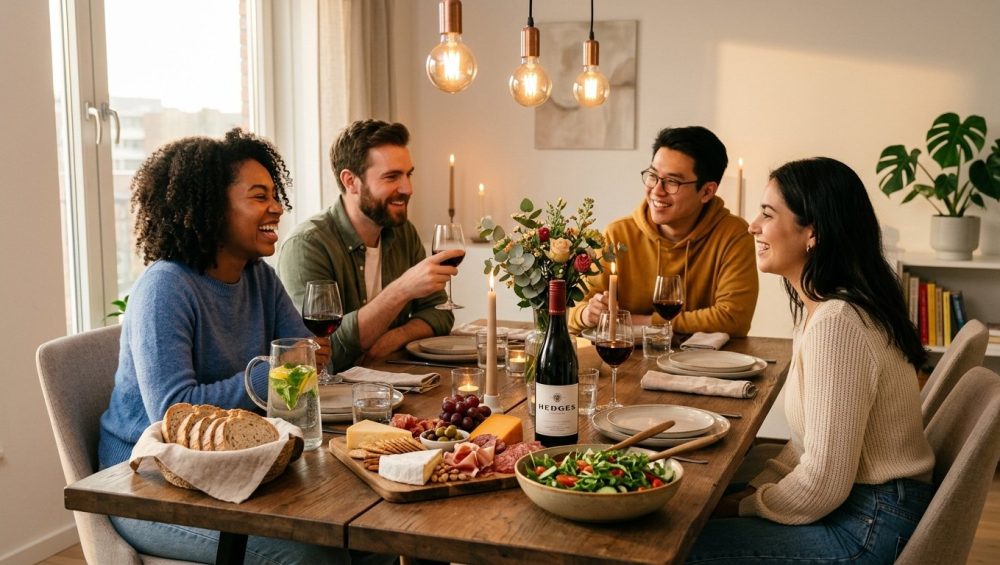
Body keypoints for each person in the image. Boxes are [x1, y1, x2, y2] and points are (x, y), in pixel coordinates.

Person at [97, 128, 388, 564]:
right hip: (150, 486)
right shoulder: (166, 288)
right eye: (259, 197)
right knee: (315, 558)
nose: (277, 208)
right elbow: (173, 411)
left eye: (275, 195)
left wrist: (298, 361)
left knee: (372, 533)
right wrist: (274, 370)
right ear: (212, 208)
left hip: (238, 465)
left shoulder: (258, 276)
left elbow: (303, 358)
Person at [686, 157, 934, 563]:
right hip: (868, 506)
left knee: (677, 546)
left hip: (868, 526)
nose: (752, 226)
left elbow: (823, 483)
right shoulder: (825, 306)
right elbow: (807, 450)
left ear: (812, 232)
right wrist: (748, 495)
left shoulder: (838, 322)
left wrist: (736, 506)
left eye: (768, 214)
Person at [278, 119, 459, 371]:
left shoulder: (403, 232)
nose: (407, 188)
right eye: (392, 176)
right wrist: (402, 290)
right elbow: (322, 353)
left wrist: (390, 339)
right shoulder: (307, 246)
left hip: (394, 383)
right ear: (350, 181)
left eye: (409, 174)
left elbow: (440, 313)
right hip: (332, 401)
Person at [568, 126, 758, 337]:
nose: (657, 190)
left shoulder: (734, 235)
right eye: (653, 176)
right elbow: (575, 311)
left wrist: (647, 322)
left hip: (707, 366)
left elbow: (734, 318)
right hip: (629, 362)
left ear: (706, 192)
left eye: (672, 182)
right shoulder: (618, 235)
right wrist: (589, 314)